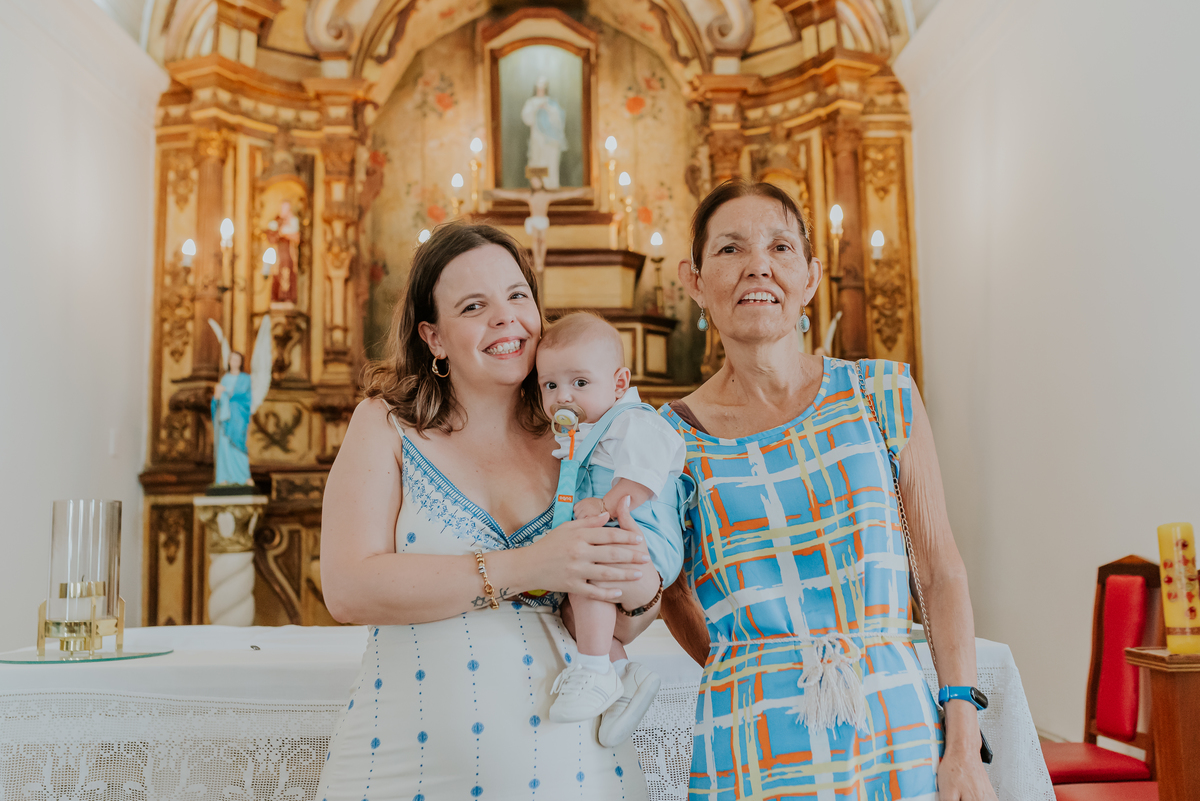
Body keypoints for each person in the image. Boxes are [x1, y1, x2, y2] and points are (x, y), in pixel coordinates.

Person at [652, 180, 998, 800]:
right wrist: (754, 668)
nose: (758, 264)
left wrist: (963, 742)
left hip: (896, 726)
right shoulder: (669, 439)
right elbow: (671, 591)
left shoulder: (883, 394)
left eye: (780, 247)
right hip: (750, 738)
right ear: (695, 280)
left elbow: (940, 571)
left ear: (810, 277)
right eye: (730, 249)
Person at [315, 223, 660, 799]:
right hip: (404, 763)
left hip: (574, 770)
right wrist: (527, 566)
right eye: (475, 306)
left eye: (517, 295)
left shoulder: (585, 437)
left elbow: (617, 623)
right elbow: (348, 588)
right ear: (434, 337)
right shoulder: (386, 425)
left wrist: (642, 584)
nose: (505, 318)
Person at [536, 311, 691, 745]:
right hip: (612, 535)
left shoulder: (636, 422)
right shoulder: (585, 431)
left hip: (644, 536)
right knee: (572, 609)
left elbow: (641, 482)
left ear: (619, 383)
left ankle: (592, 669)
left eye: (579, 383)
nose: (562, 396)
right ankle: (624, 674)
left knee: (590, 568)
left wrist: (601, 505)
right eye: (550, 385)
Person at [211, 351, 251, 486]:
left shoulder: (245, 378)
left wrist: (226, 390)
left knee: (239, 444)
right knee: (224, 446)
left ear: (241, 362)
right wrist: (216, 396)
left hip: (238, 416)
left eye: (237, 359)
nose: (234, 362)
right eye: (232, 359)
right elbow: (217, 399)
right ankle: (224, 476)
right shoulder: (224, 378)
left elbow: (244, 396)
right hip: (225, 417)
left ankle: (244, 476)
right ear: (228, 361)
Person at [521, 76, 567, 189]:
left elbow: (558, 119)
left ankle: (551, 185)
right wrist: (536, 109)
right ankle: (537, 185)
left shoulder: (551, 103)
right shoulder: (531, 102)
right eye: (538, 88)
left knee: (550, 161)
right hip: (537, 138)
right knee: (536, 160)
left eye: (542, 88)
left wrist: (547, 109)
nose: (540, 91)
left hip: (550, 140)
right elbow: (527, 118)